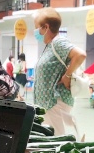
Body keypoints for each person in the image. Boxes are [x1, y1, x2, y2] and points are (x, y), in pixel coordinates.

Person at [33, 8, 86, 137]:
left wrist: (67, 76)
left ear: (46, 27)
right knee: (50, 139)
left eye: (36, 28)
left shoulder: (58, 42)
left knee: (55, 140)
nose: (35, 32)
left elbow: (80, 55)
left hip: (54, 101)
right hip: (48, 104)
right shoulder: (50, 46)